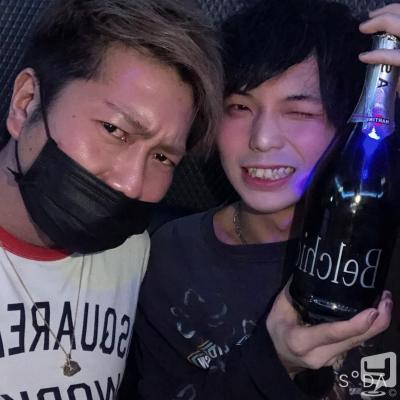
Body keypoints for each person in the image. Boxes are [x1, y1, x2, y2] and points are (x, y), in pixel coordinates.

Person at [121, 1, 400, 399]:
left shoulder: (387, 241)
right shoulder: (173, 256)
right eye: (239, 107)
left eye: (299, 112)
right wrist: (275, 363)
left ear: (352, 118)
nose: (262, 139)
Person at [0, 0, 223, 396]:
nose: (131, 185)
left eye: (162, 158)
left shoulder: (132, 251)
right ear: (27, 102)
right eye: (114, 129)